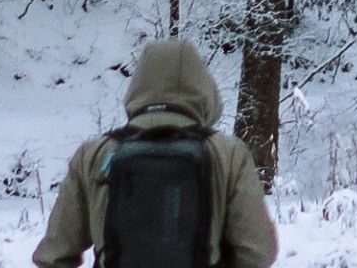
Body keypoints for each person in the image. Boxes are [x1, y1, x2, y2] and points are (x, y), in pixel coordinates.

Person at [32, 38, 278, 268]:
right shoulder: (227, 153)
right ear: (203, 90)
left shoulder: (94, 153)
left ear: (137, 87)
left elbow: (55, 255)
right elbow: (257, 252)